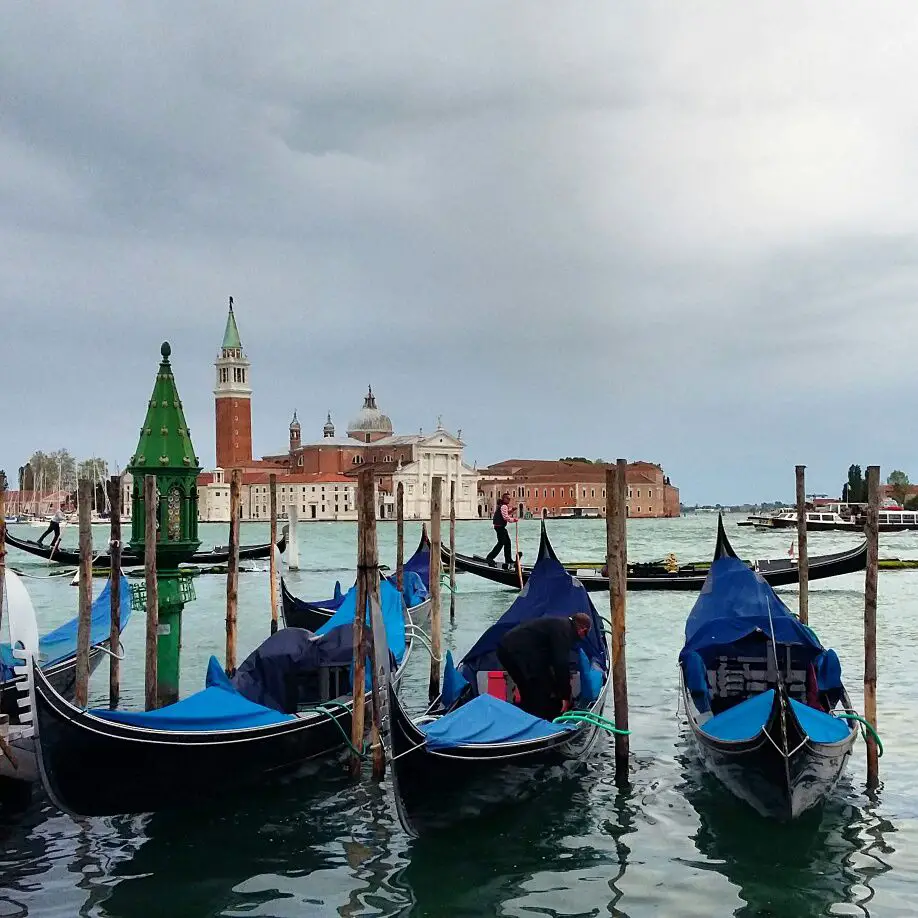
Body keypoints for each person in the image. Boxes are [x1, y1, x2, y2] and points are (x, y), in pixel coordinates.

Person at [496, 612, 592, 720]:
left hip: (506, 648)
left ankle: (529, 719)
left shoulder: (559, 625)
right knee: (536, 690)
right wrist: (565, 696)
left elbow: (552, 662)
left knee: (529, 689)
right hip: (518, 652)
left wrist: (559, 689)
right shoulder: (564, 631)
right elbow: (561, 664)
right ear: (583, 630)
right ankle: (540, 722)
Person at [486, 492, 518, 568]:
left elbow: (505, 514)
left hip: (500, 527)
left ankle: (508, 560)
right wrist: (514, 520)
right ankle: (490, 558)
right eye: (507, 498)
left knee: (507, 542)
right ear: (504, 499)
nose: (509, 500)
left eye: (510, 498)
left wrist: (512, 510)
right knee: (501, 543)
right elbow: (505, 517)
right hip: (499, 527)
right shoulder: (504, 506)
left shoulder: (503, 506)